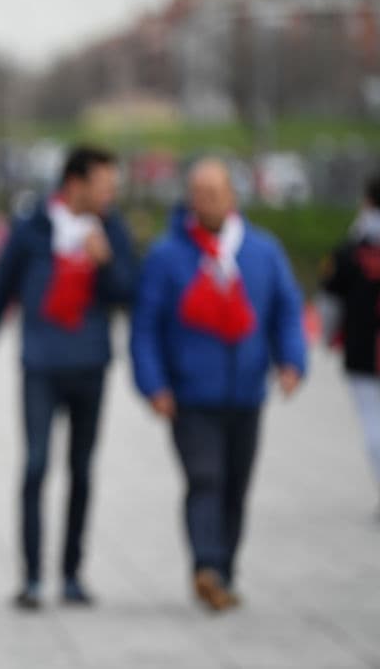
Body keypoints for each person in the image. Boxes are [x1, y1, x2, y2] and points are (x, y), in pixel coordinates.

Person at [0, 146, 137, 609]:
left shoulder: (111, 228)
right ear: (75, 184)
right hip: (40, 365)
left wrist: (106, 261)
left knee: (81, 470)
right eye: (104, 185)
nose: (111, 194)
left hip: (91, 365)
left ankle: (72, 574)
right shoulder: (32, 228)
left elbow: (128, 292)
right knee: (36, 466)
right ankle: (32, 578)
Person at [130, 158, 306, 612]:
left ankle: (224, 571)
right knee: (204, 478)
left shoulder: (262, 251)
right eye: (198, 193)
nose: (206, 201)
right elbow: (145, 326)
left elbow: (286, 311)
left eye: (214, 192)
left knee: (235, 487)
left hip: (246, 392)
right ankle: (205, 566)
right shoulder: (168, 255)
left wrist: (291, 361)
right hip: (191, 395)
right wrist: (153, 384)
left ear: (232, 196)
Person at [320, 173, 380, 510]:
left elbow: (330, 300)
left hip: (361, 347)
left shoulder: (352, 249)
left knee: (373, 421)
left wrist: (327, 338)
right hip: (364, 348)